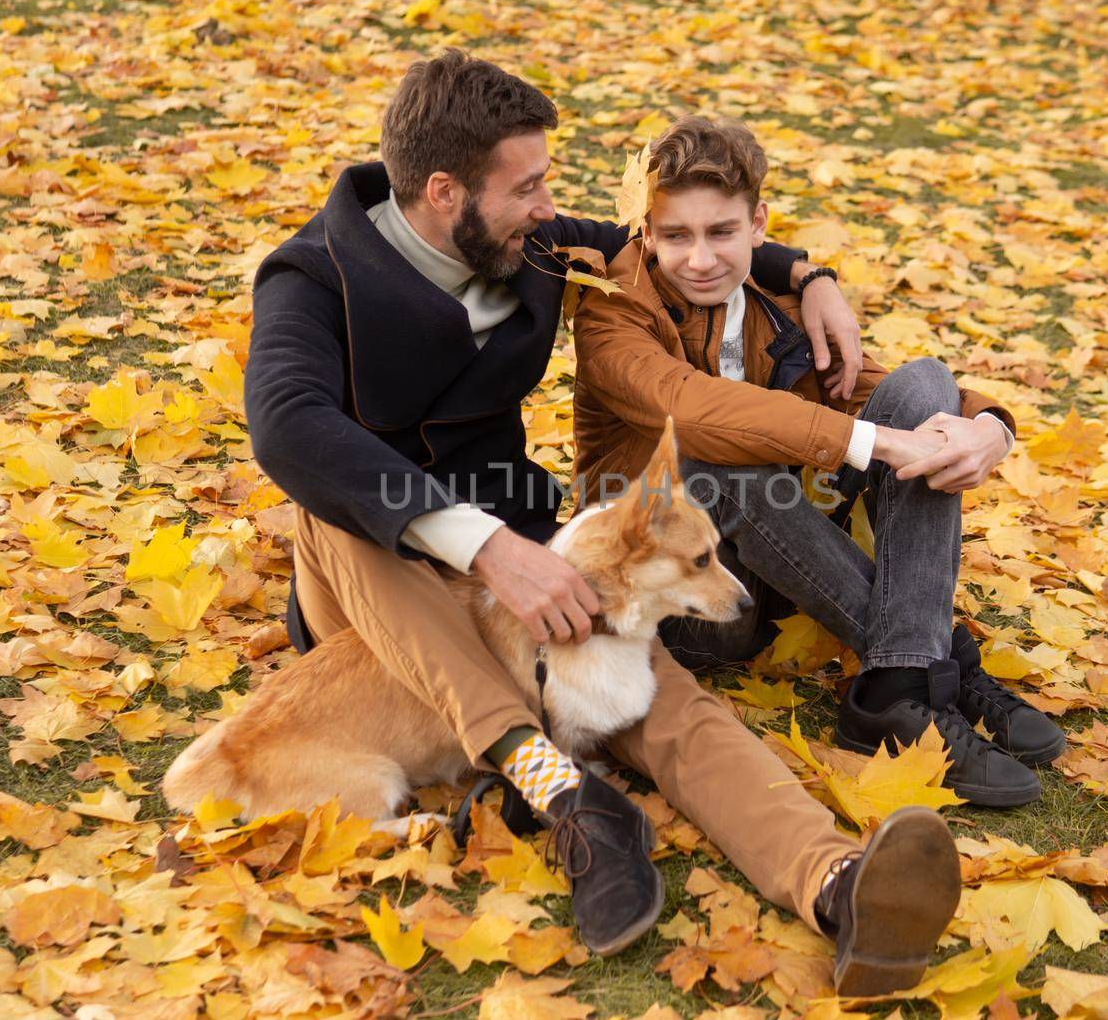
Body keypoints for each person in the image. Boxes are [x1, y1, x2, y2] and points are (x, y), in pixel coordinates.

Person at [245, 50, 964, 989]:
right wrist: (489, 549)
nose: (553, 205)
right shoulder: (310, 278)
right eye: (531, 184)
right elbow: (288, 426)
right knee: (332, 507)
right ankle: (552, 785)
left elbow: (668, 239)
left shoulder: (529, 241)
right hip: (380, 589)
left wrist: (810, 271)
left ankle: (834, 884)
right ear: (442, 190)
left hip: (527, 567)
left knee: (670, 707)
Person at [572, 115, 1066, 809]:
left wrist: (990, 423)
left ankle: (902, 680)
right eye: (676, 236)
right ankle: (932, 663)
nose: (701, 258)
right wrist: (876, 445)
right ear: (646, 234)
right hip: (680, 600)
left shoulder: (778, 304)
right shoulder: (611, 314)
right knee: (716, 463)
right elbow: (691, 408)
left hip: (777, 569)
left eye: (721, 232)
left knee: (923, 383)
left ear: (759, 225)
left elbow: (878, 390)